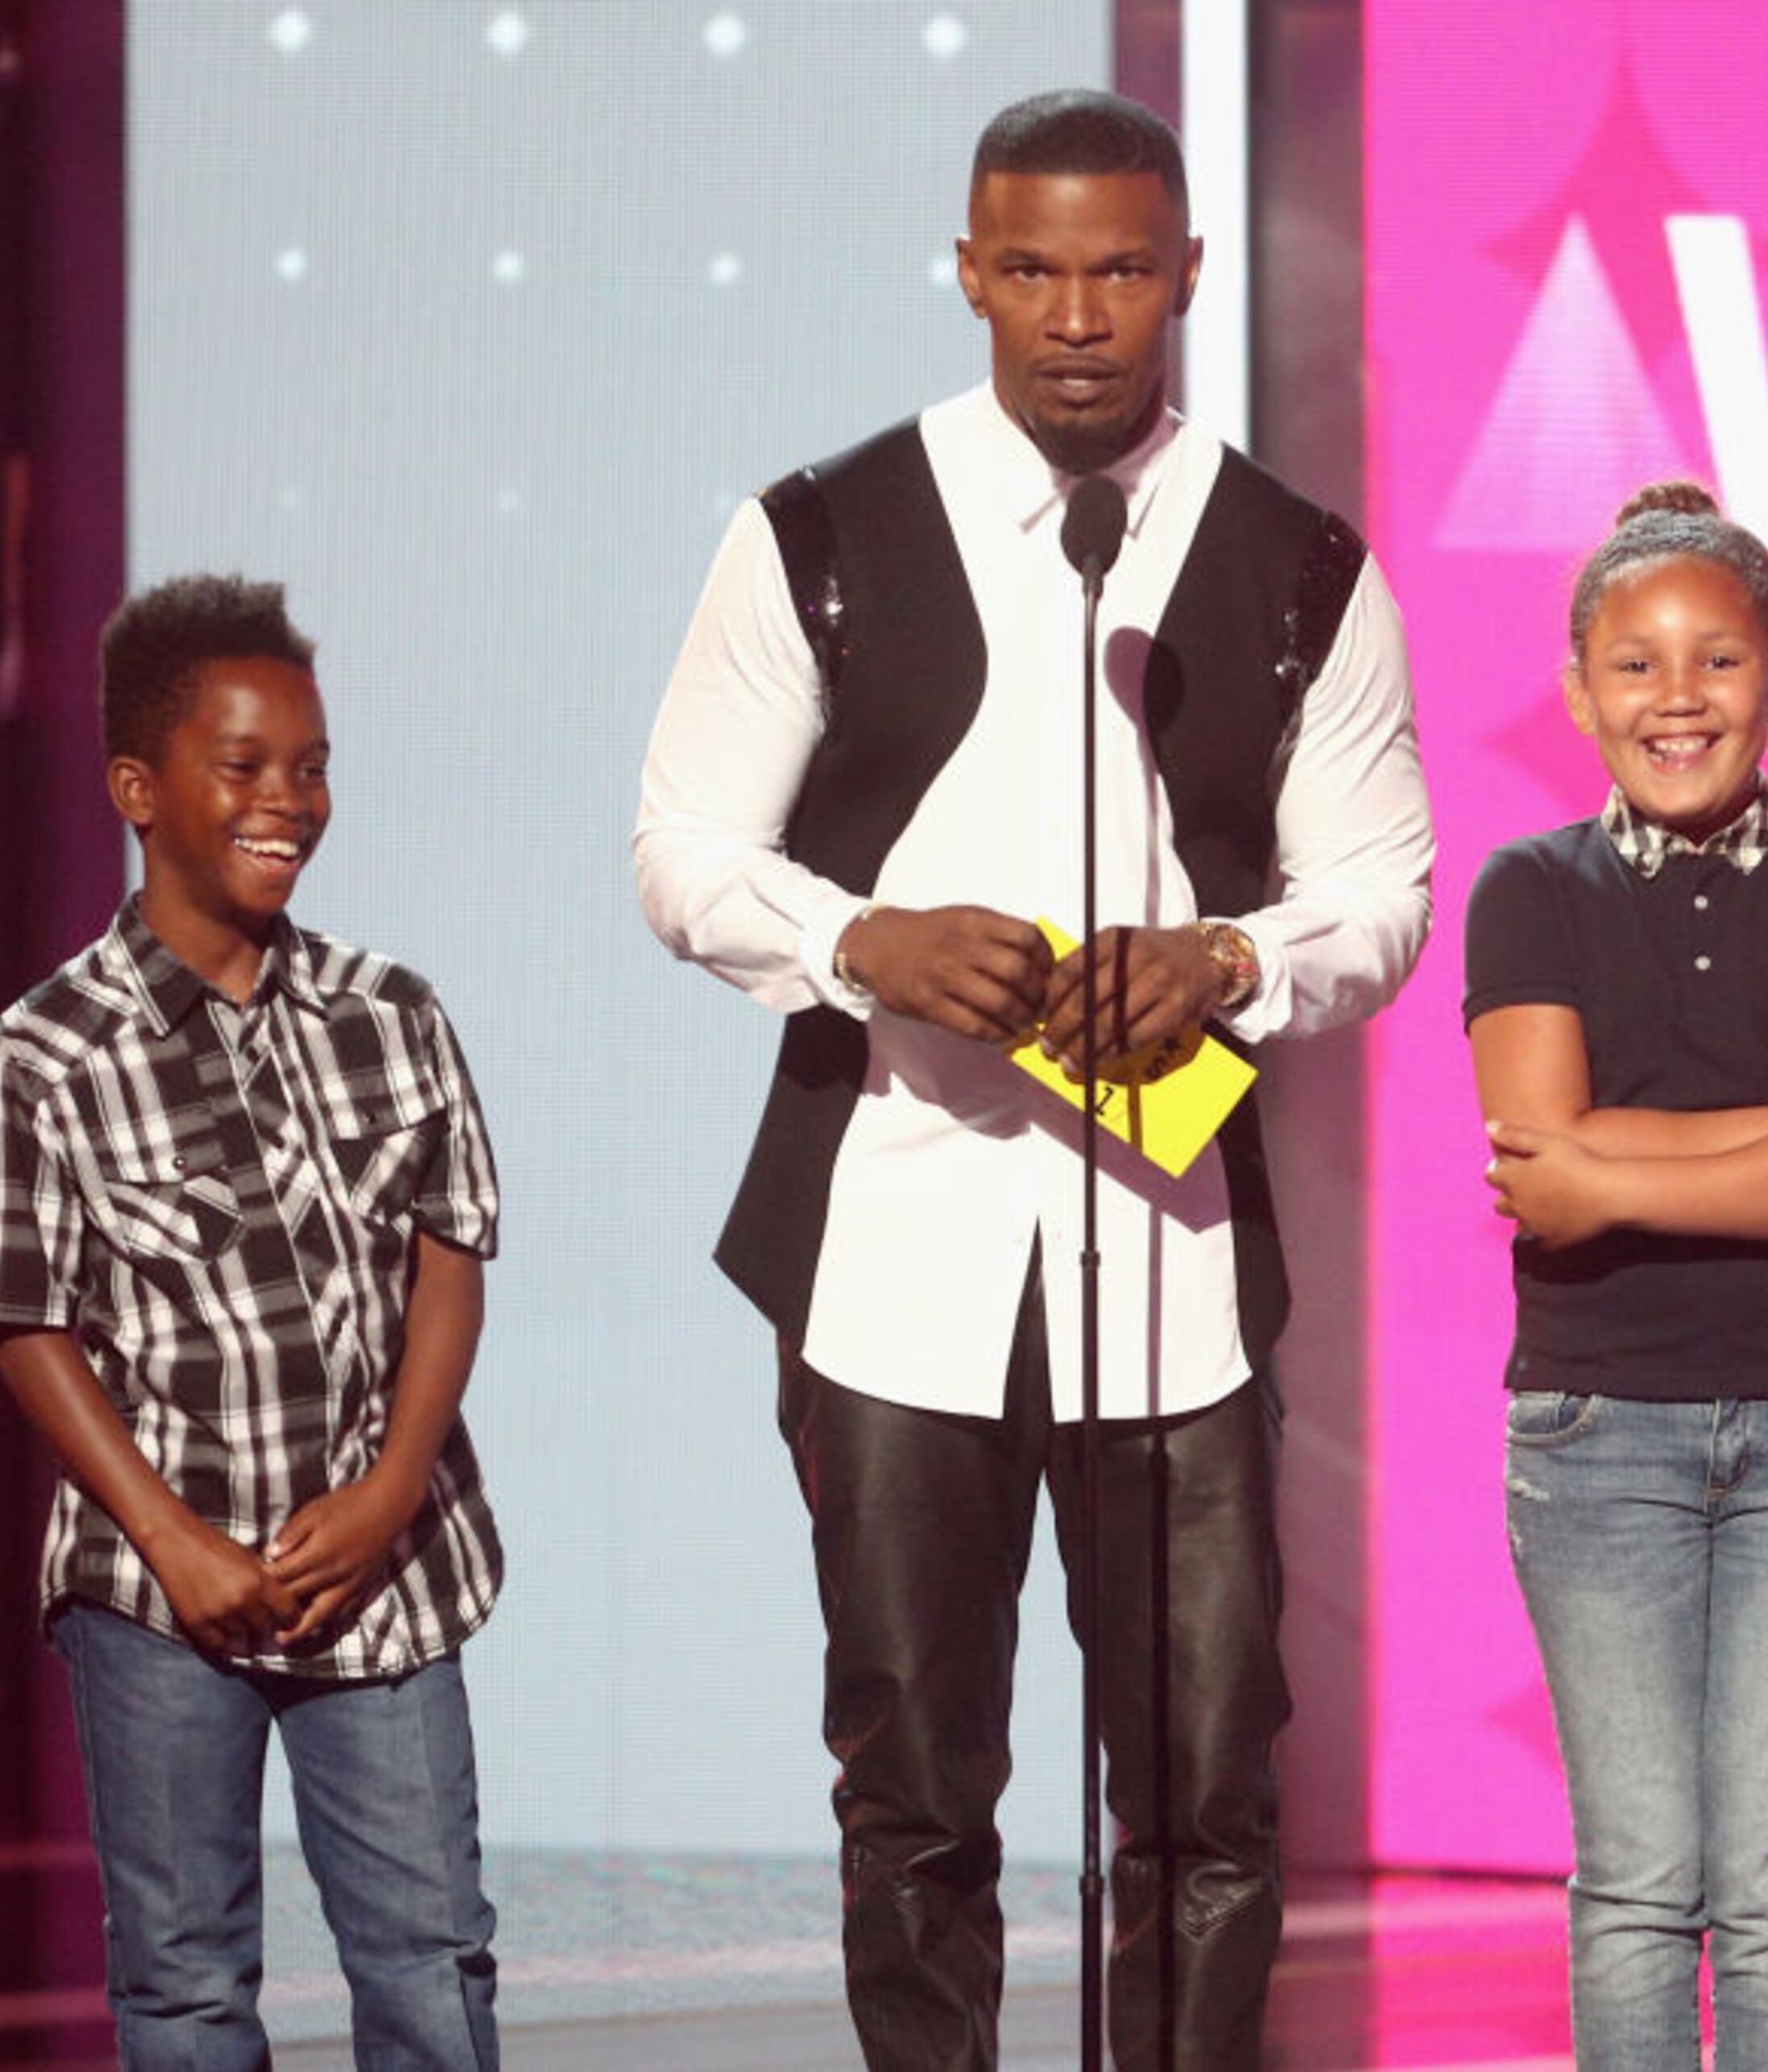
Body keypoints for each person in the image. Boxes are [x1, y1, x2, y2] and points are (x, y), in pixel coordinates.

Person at [632, 87, 1433, 2071]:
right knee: (914, 1792)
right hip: (895, 1256)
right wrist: (859, 942)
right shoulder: (818, 533)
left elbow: (1384, 891)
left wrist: (1233, 962)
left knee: (1209, 1800)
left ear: (1182, 278)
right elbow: (679, 849)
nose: (1080, 315)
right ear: (972, 271)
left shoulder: (1295, 566)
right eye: (1037, 270)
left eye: (1123, 272)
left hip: (1170, 1277)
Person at [0, 574, 506, 2071]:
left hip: (380, 1575)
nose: (288, 800)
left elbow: (452, 1252)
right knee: (186, 1989)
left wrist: (391, 1489)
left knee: (432, 1967)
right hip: (156, 1598)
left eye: (311, 766)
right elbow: (16, 1315)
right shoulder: (48, 1049)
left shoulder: (392, 1011)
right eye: (245, 765)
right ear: (139, 787)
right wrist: (173, 1541)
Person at [1469, 481, 1768, 2069]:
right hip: (1600, 1436)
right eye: (1638, 663)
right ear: (1579, 689)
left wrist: (1619, 1157)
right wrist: (1760, 1148)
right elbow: (1547, 1189)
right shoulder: (1526, 891)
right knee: (1639, 1887)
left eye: (1719, 661)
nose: (1678, 698)